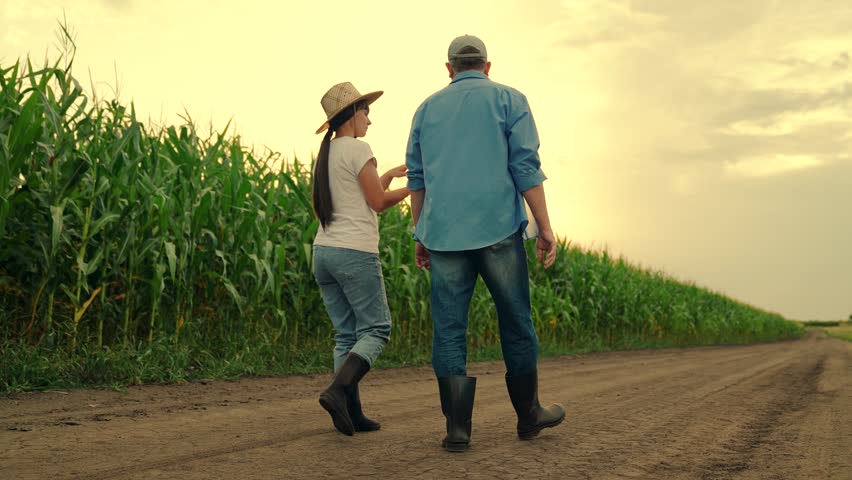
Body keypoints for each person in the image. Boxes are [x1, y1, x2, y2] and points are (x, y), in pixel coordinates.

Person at [405, 35, 565, 452]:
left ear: (449, 69)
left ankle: (457, 429)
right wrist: (544, 227)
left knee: (450, 330)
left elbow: (417, 179)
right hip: (498, 232)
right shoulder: (511, 100)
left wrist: (420, 232)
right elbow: (525, 166)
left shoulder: (425, 109)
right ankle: (529, 415)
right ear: (488, 66)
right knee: (515, 320)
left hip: (442, 237)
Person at [312, 82, 410, 436]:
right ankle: (338, 391)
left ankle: (349, 412)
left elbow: (360, 193)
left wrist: (388, 176)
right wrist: (416, 187)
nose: (370, 118)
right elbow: (378, 203)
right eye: (366, 111)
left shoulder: (327, 154)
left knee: (346, 335)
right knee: (376, 329)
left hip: (324, 252)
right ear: (353, 114)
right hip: (354, 253)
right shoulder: (358, 148)